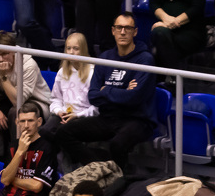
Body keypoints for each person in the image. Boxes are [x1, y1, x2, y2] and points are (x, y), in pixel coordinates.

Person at [55, 12, 156, 170]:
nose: (123, 32)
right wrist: (122, 90)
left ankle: (118, 180)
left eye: (128, 28)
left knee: (117, 144)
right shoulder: (105, 58)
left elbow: (134, 98)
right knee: (64, 132)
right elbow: (93, 96)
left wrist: (107, 90)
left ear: (135, 32)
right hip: (108, 117)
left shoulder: (145, 60)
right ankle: (100, 168)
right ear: (113, 31)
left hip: (137, 119)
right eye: (119, 28)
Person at [0, 30, 53, 160]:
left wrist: (3, 76)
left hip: (36, 102)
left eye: (4, 54)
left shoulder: (28, 65)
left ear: (13, 51)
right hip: (5, 96)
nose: (0, 59)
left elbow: (17, 102)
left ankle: (16, 160)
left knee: (15, 112)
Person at [0, 105, 59, 196]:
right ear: (17, 122)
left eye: (30, 121)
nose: (26, 125)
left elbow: (36, 186)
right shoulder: (13, 146)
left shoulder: (47, 148)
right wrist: (20, 152)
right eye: (22, 121)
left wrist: (11, 179)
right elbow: (4, 180)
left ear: (39, 122)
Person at [50, 32, 98, 126]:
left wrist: (78, 115)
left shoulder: (92, 73)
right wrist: (59, 111)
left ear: (83, 50)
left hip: (84, 116)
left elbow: (96, 108)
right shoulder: (62, 72)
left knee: (64, 131)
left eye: (76, 48)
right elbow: (56, 99)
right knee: (46, 130)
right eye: (68, 48)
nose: (71, 52)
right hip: (64, 114)